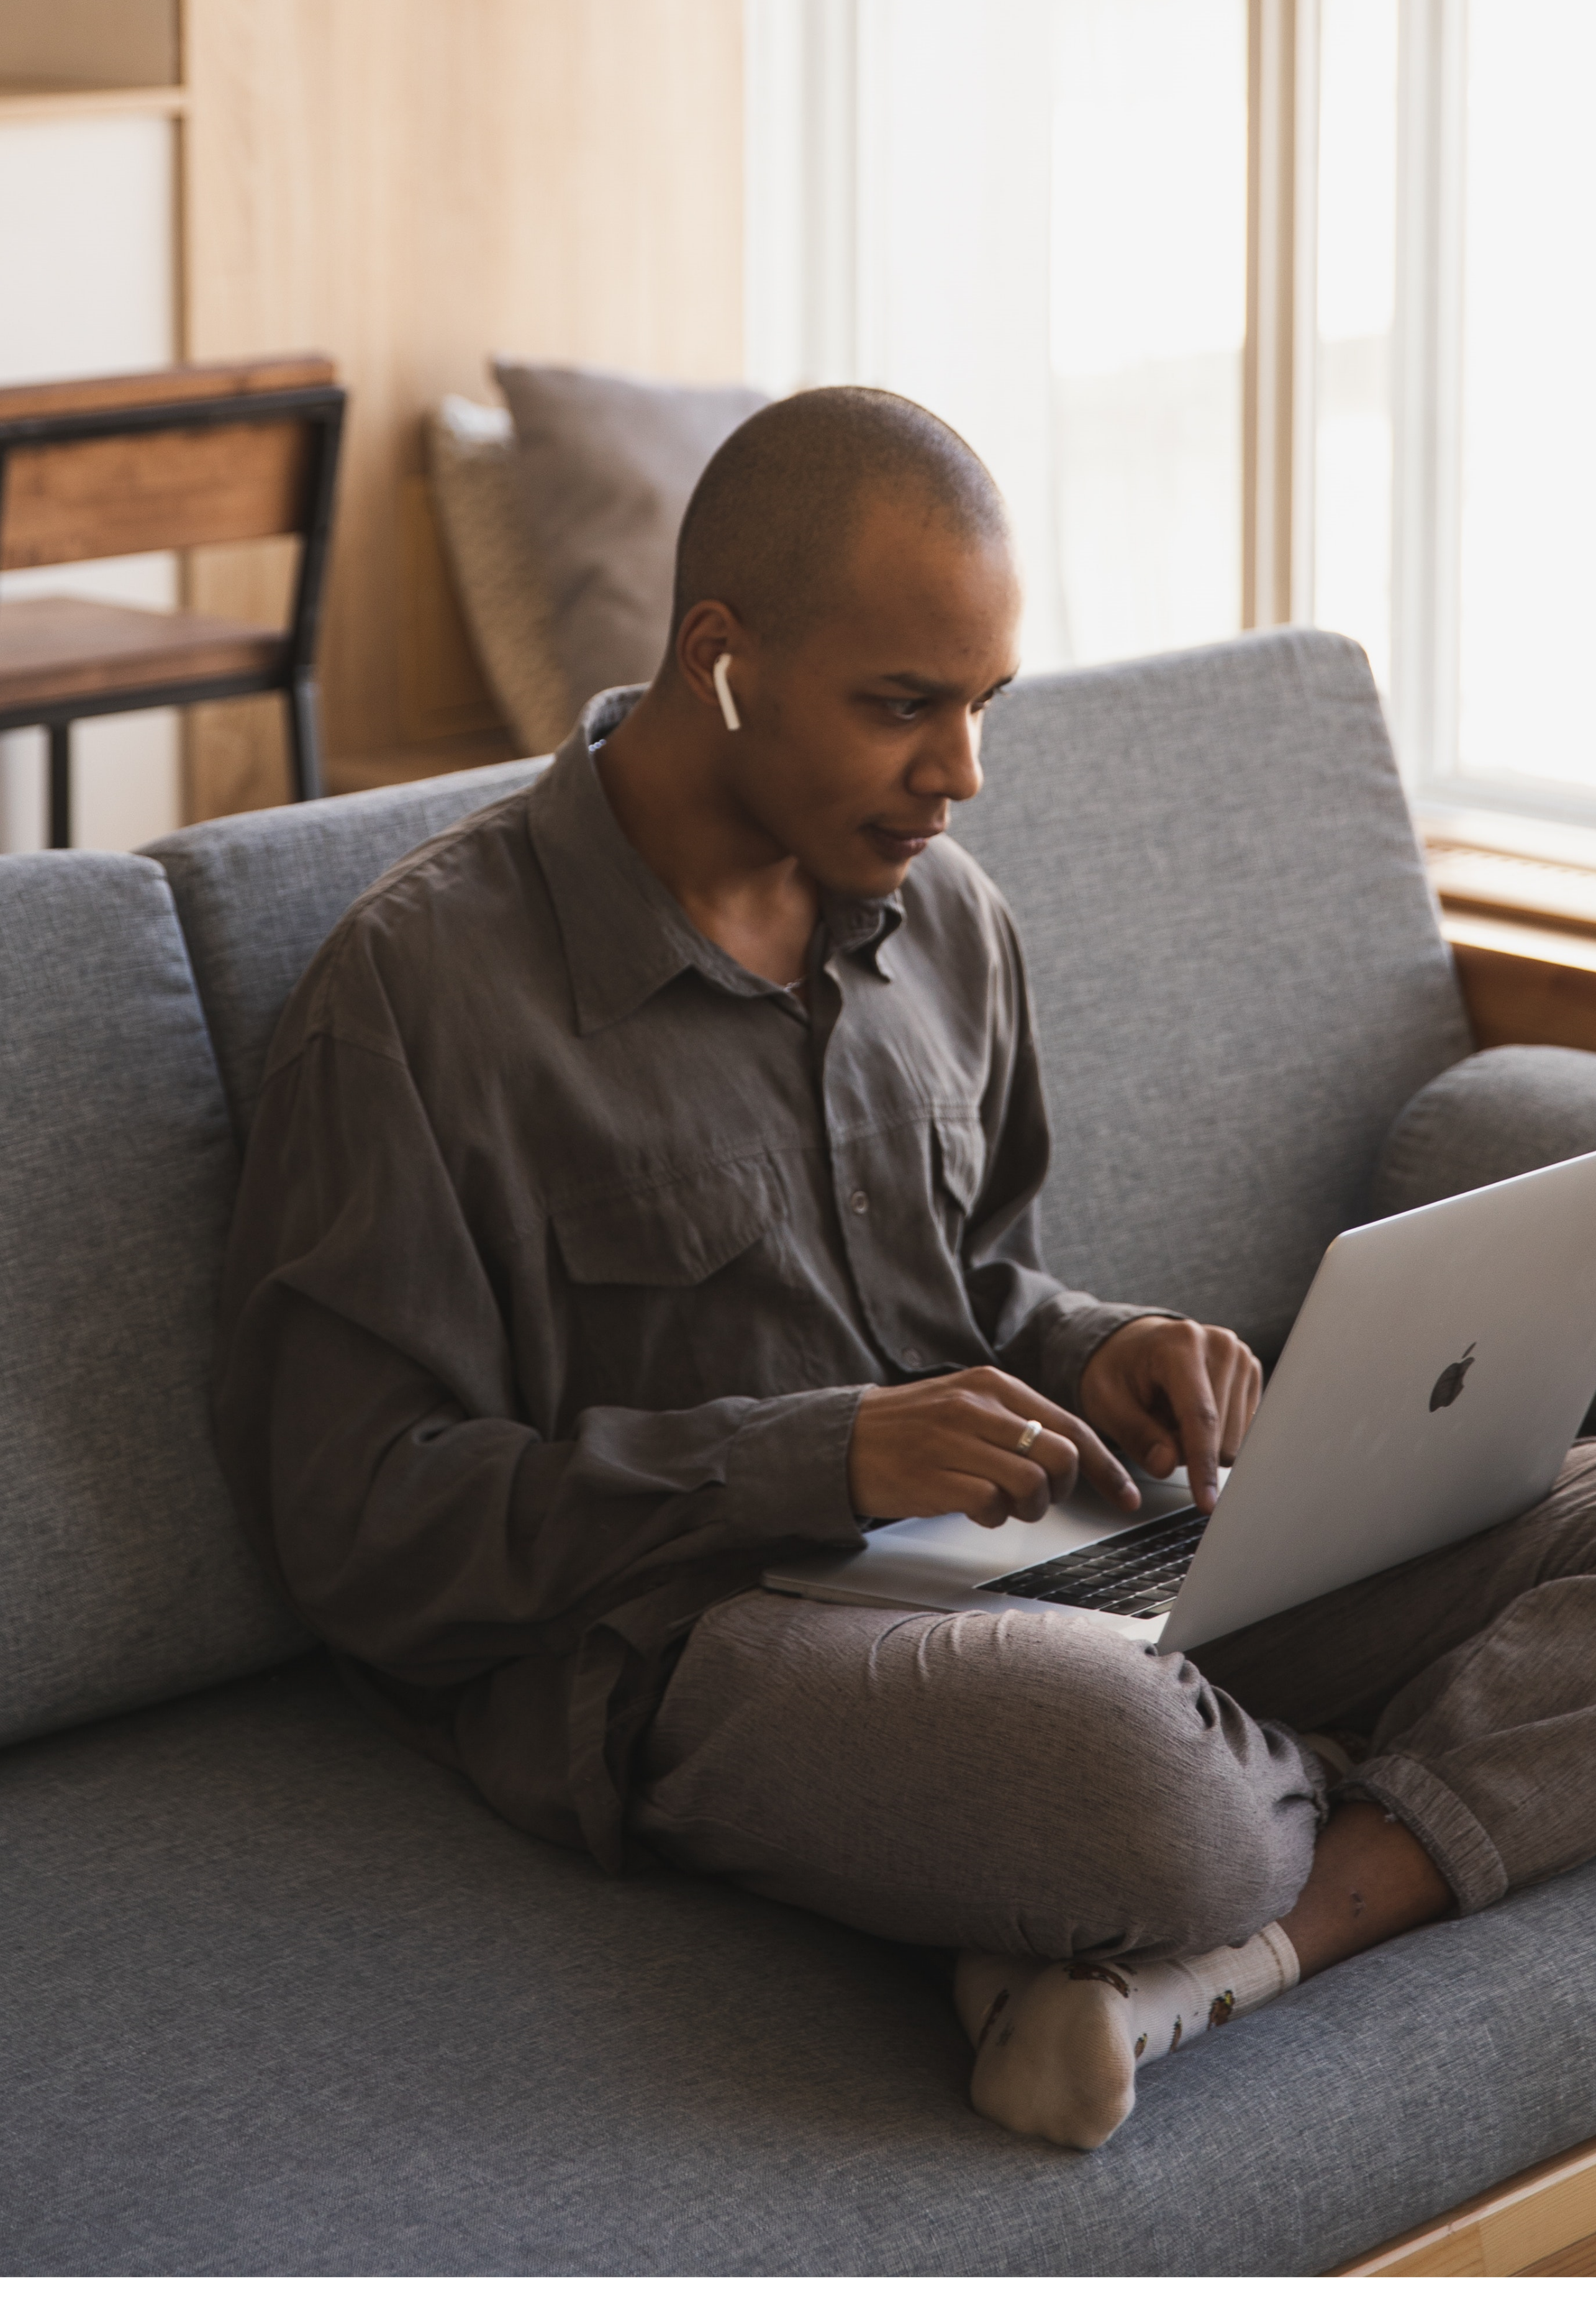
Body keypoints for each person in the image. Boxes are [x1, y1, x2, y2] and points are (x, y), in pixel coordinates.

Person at [218, 388, 1596, 2151]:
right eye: (904, 708)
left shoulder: (947, 918)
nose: (962, 774)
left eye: (983, 706)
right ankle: (1272, 1790)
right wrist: (819, 1452)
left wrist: (1105, 1352)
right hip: (694, 1634)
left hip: (1037, 1564)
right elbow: (360, 1532)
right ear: (720, 659)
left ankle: (1221, 1950)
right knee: (1151, 1803)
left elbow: (990, 1293)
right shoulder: (418, 1000)